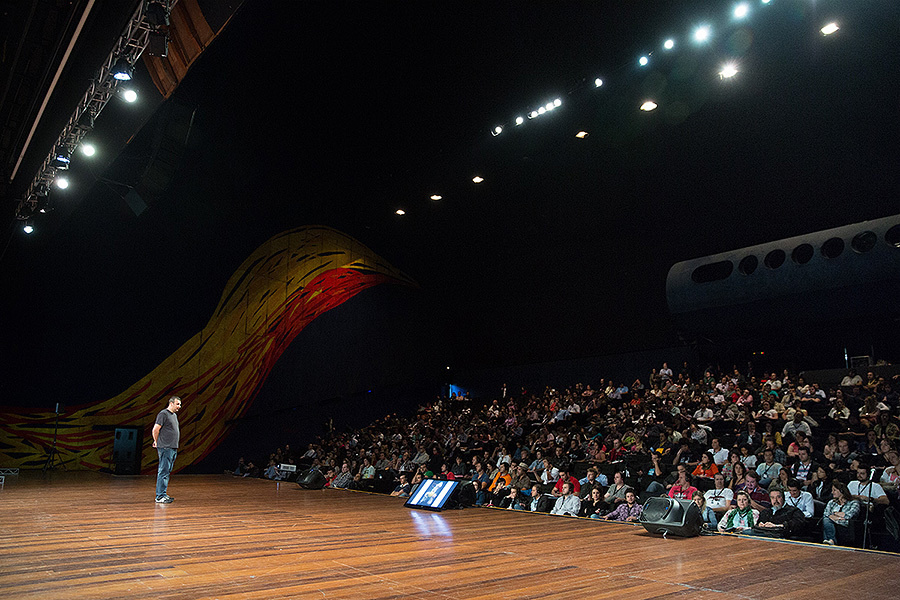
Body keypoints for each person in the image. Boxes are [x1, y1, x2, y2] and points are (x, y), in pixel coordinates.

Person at [152, 395, 182, 504]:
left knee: (166, 471)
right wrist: (156, 441)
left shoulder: (173, 415)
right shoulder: (163, 414)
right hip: (165, 447)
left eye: (180, 404)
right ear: (171, 403)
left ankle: (163, 494)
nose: (179, 406)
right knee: (163, 471)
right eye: (177, 404)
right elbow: (155, 429)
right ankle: (159, 496)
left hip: (172, 447)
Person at [823, 481, 861, 546]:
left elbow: (849, 516)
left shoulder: (854, 503)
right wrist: (840, 516)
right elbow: (826, 514)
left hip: (846, 525)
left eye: (834, 490)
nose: (832, 492)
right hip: (832, 523)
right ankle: (831, 540)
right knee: (826, 520)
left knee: (827, 521)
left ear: (841, 491)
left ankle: (831, 540)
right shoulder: (831, 502)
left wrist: (834, 515)